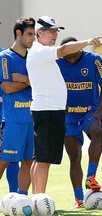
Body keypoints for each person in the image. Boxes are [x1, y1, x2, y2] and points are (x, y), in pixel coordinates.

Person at [26, 15, 102, 195]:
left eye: (56, 31)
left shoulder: (43, 52)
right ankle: (39, 198)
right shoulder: (40, 51)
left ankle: (37, 197)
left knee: (40, 158)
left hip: (51, 111)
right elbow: (64, 49)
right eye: (50, 31)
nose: (54, 35)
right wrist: (87, 41)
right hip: (46, 111)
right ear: (39, 33)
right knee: (43, 160)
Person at [57, 36, 102, 208]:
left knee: (98, 130)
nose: (71, 59)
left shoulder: (94, 60)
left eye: (74, 55)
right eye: (68, 56)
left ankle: (91, 176)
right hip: (69, 116)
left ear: (80, 49)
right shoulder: (57, 63)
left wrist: (99, 110)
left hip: (89, 111)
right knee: (74, 157)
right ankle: (79, 199)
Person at [0, 17, 35, 195]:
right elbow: (7, 87)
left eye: (34, 35)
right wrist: (30, 81)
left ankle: (22, 198)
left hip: (32, 119)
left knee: (29, 160)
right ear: (18, 33)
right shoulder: (5, 57)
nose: (33, 39)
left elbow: (39, 83)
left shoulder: (34, 58)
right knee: (4, 160)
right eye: (29, 34)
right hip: (13, 119)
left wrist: (23, 78)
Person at [0, 19, 20, 193]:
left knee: (12, 157)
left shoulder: (5, 55)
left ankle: (15, 198)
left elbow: (9, 82)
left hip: (5, 114)